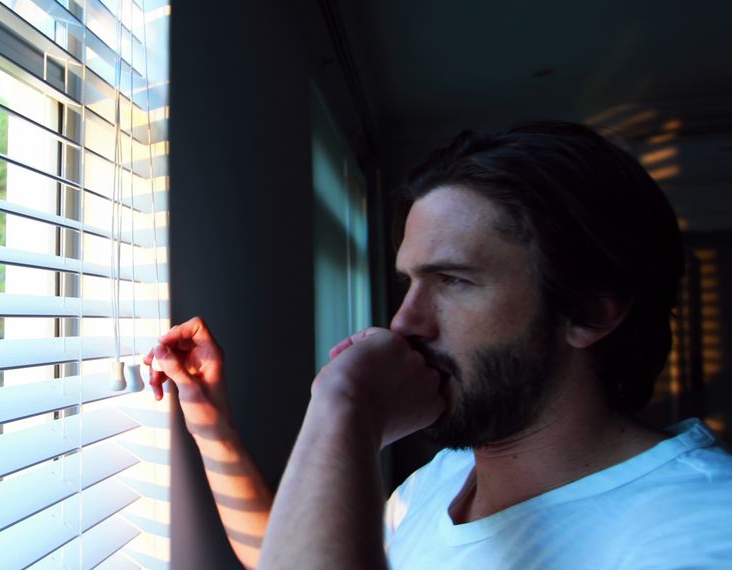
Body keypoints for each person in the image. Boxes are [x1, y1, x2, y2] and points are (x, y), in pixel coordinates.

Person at [143, 121, 732, 569]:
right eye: (410, 283)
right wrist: (210, 423)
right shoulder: (445, 478)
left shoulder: (700, 529)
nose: (404, 323)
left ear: (589, 312)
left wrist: (343, 407)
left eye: (452, 281)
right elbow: (297, 553)